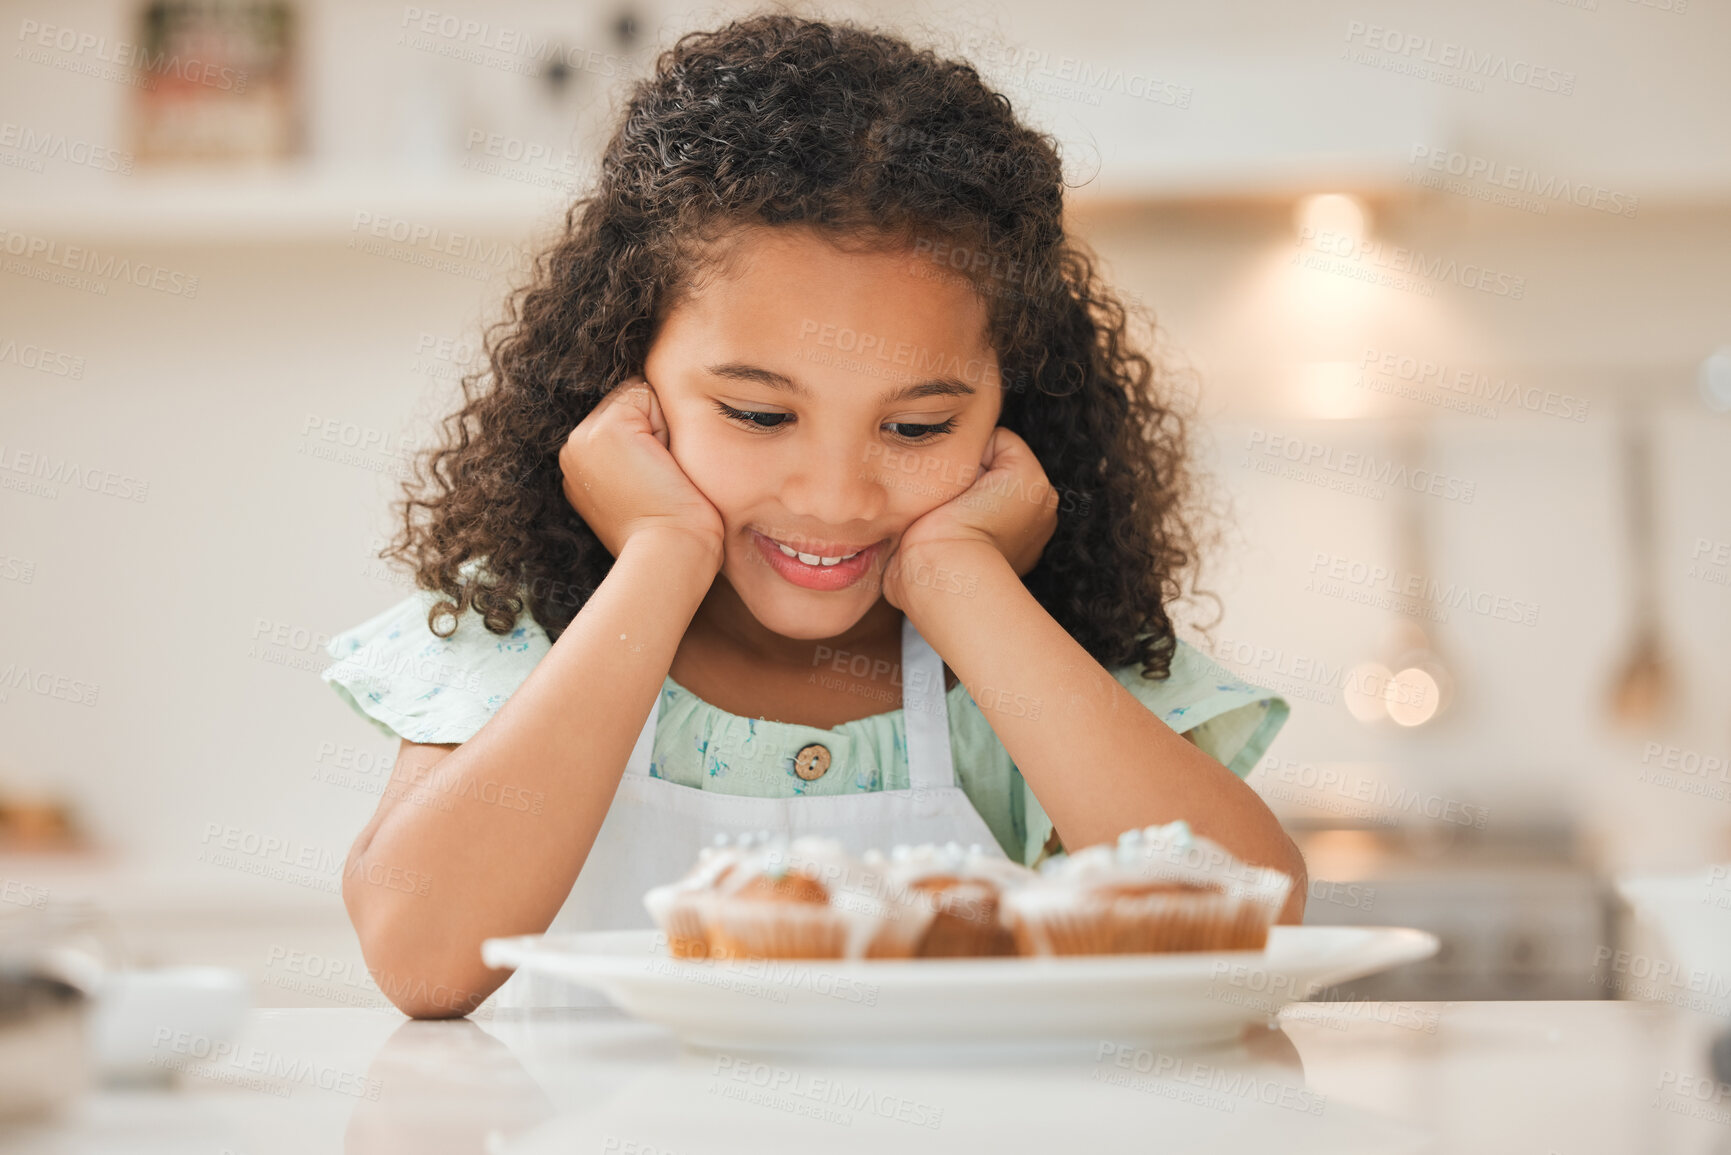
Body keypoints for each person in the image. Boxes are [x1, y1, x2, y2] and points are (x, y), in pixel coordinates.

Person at [322, 12, 1306, 1019]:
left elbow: (1253, 929)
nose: (836, 499)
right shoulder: (521, 623)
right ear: (626, 378)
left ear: (1013, 405)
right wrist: (664, 552)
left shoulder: (1037, 645)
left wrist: (962, 583)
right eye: (758, 413)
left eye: (918, 426)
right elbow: (420, 958)